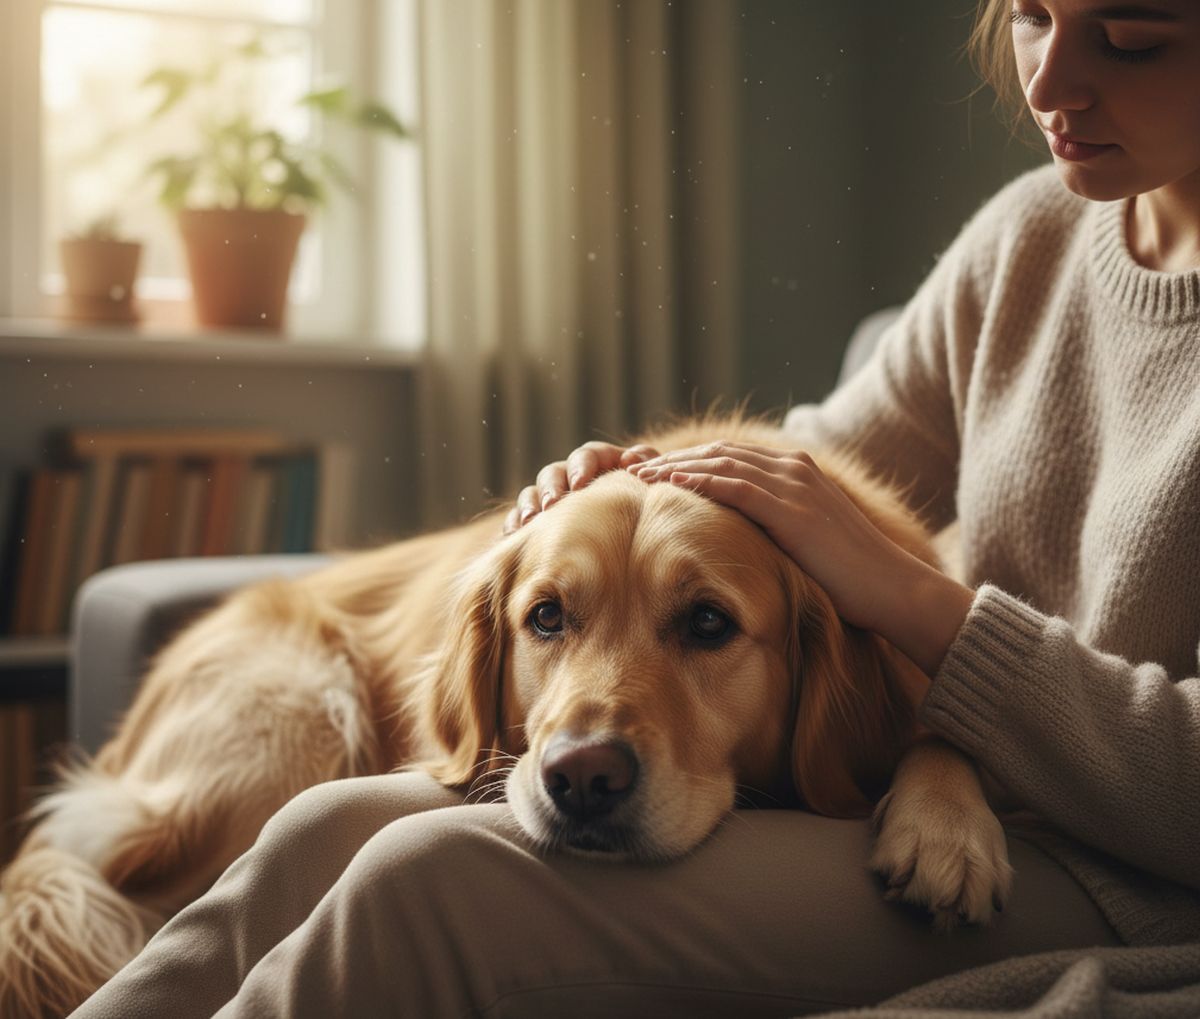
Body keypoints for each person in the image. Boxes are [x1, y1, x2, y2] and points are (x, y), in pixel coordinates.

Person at [73, 0, 1200, 1015]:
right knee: (318, 825)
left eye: (1132, 39)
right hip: (973, 790)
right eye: (1033, 18)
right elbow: (811, 468)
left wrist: (923, 616)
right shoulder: (1031, 235)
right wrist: (640, 484)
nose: (1049, 85)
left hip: (1117, 874)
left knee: (426, 884)